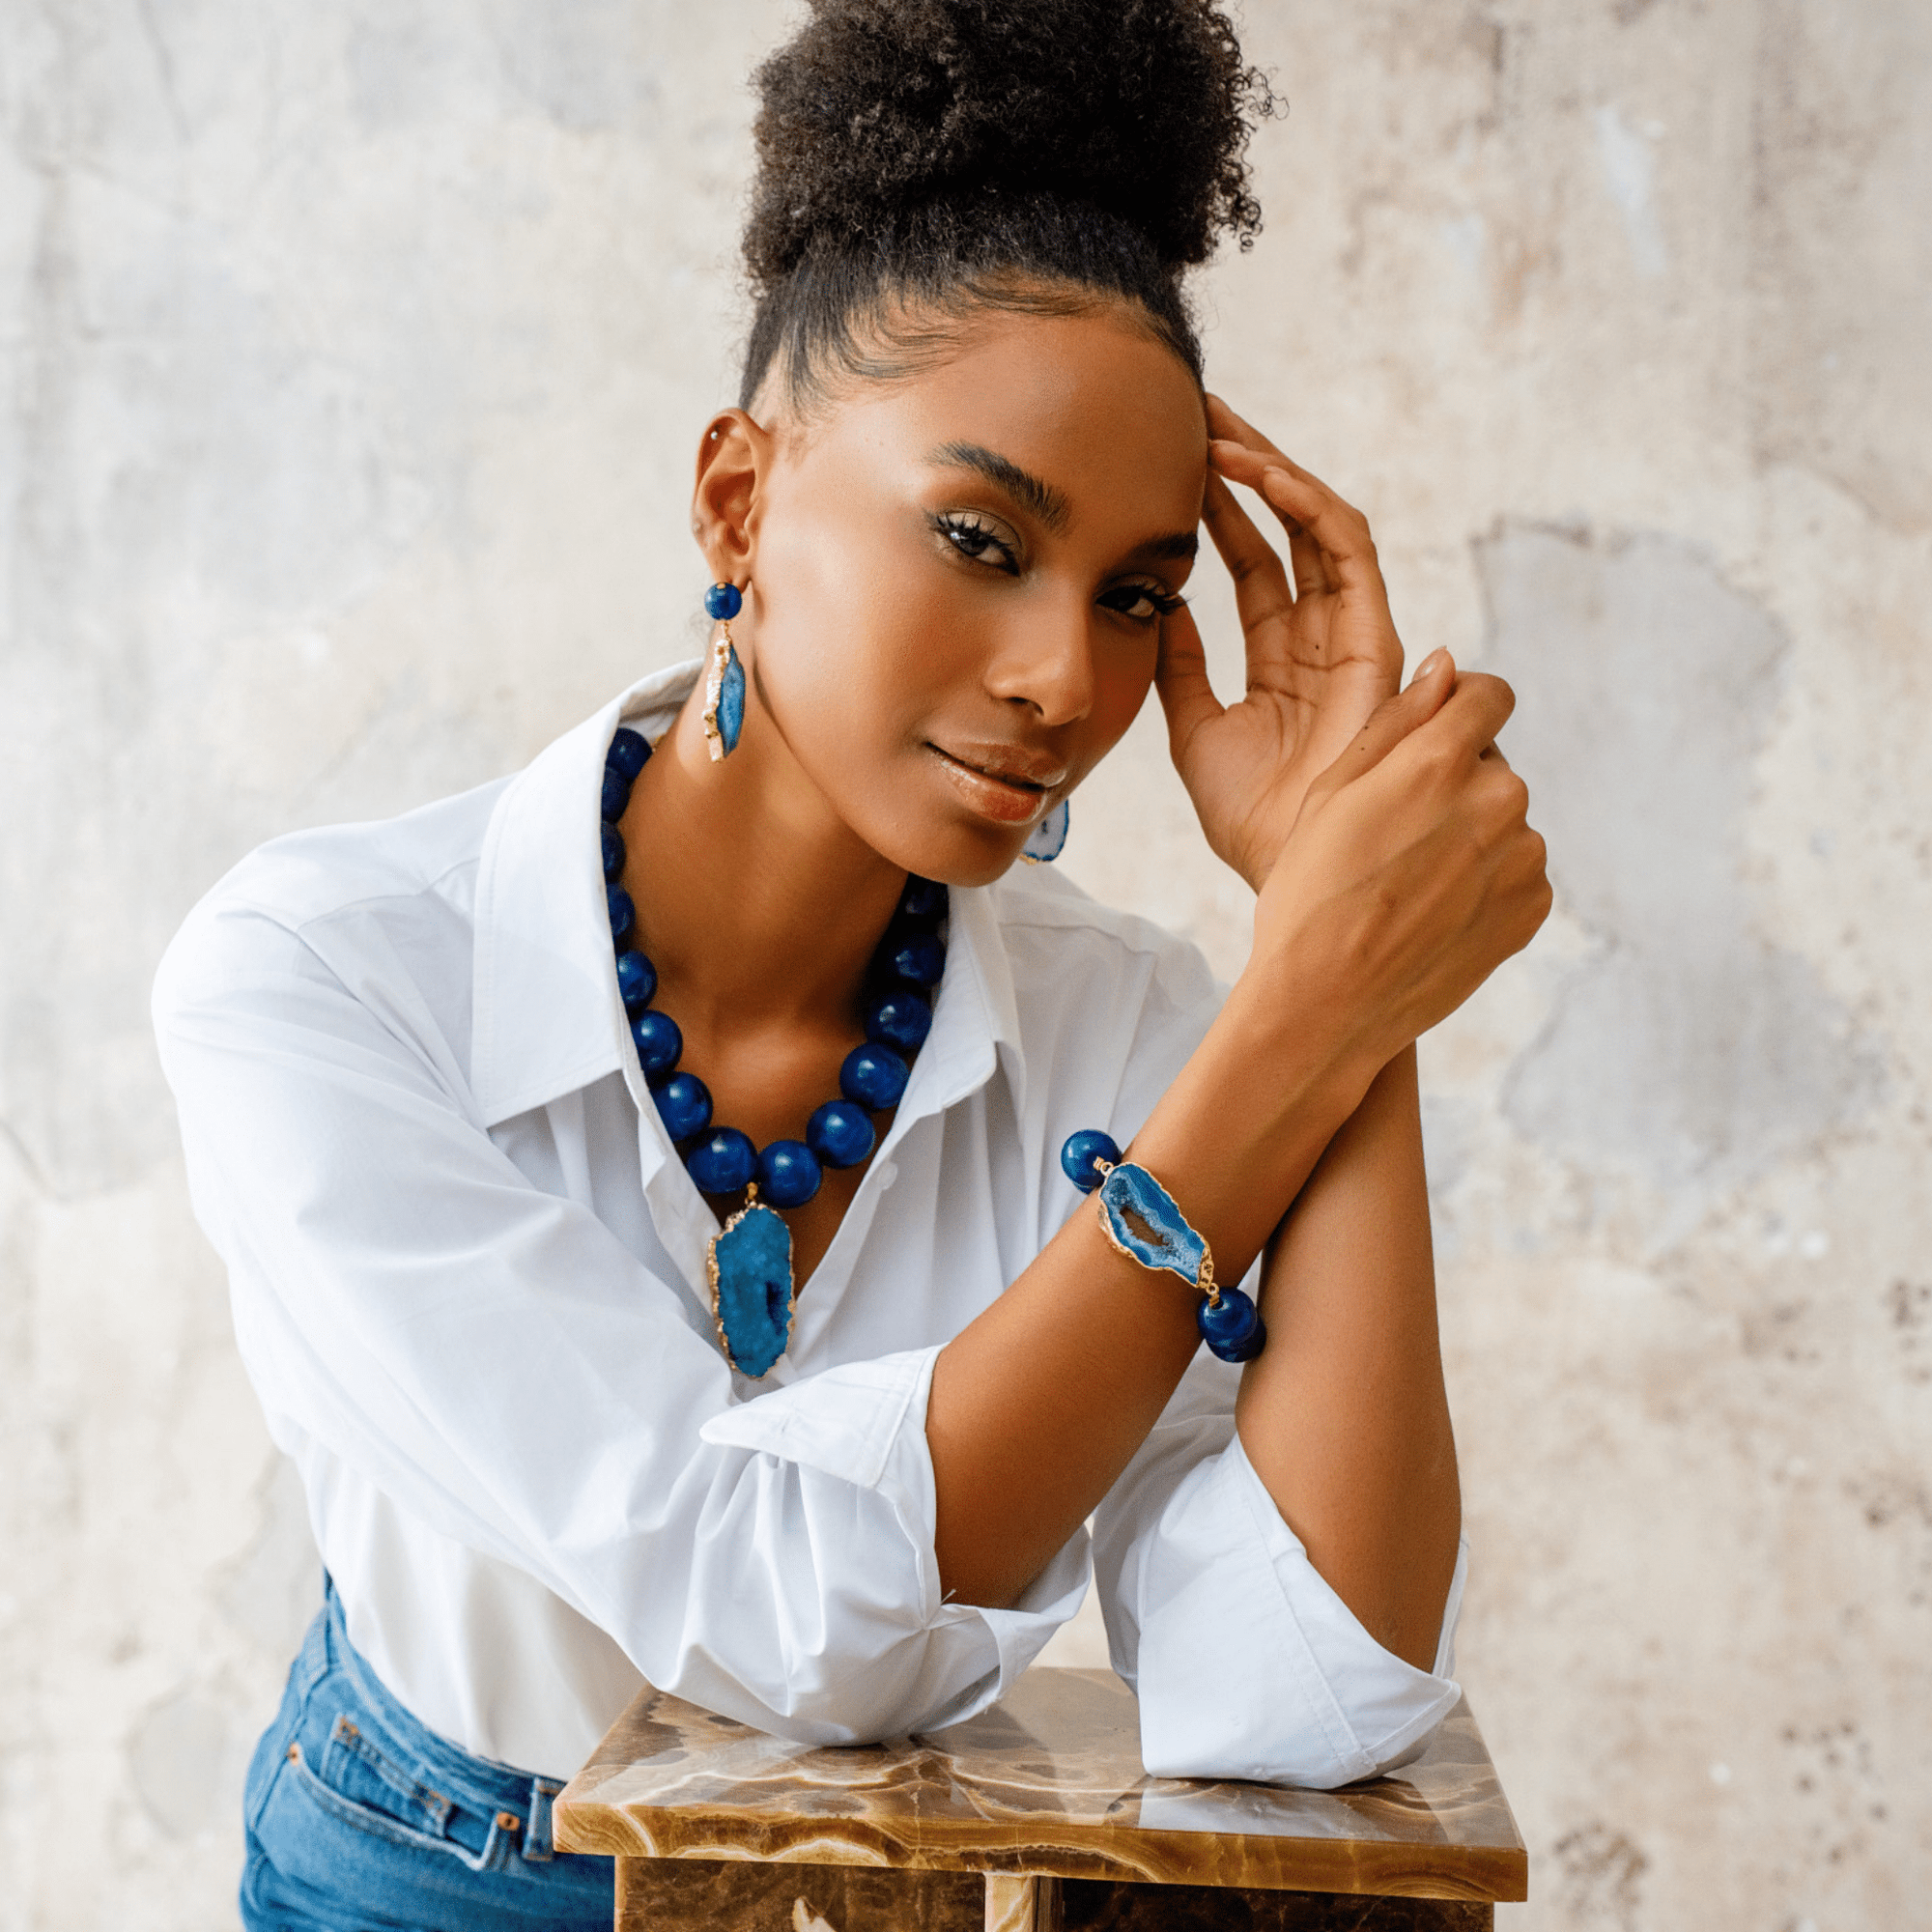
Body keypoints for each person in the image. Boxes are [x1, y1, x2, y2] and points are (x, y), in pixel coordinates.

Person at [154, 2, 1551, 1926]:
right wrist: (1303, 1008)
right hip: (442, 1873)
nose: (1069, 677)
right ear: (740, 498)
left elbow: (1295, 1692)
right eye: (980, 536)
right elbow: (768, 1606)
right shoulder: (320, 980)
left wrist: (1344, 958)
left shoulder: (1147, 1027)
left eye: (1136, 594)